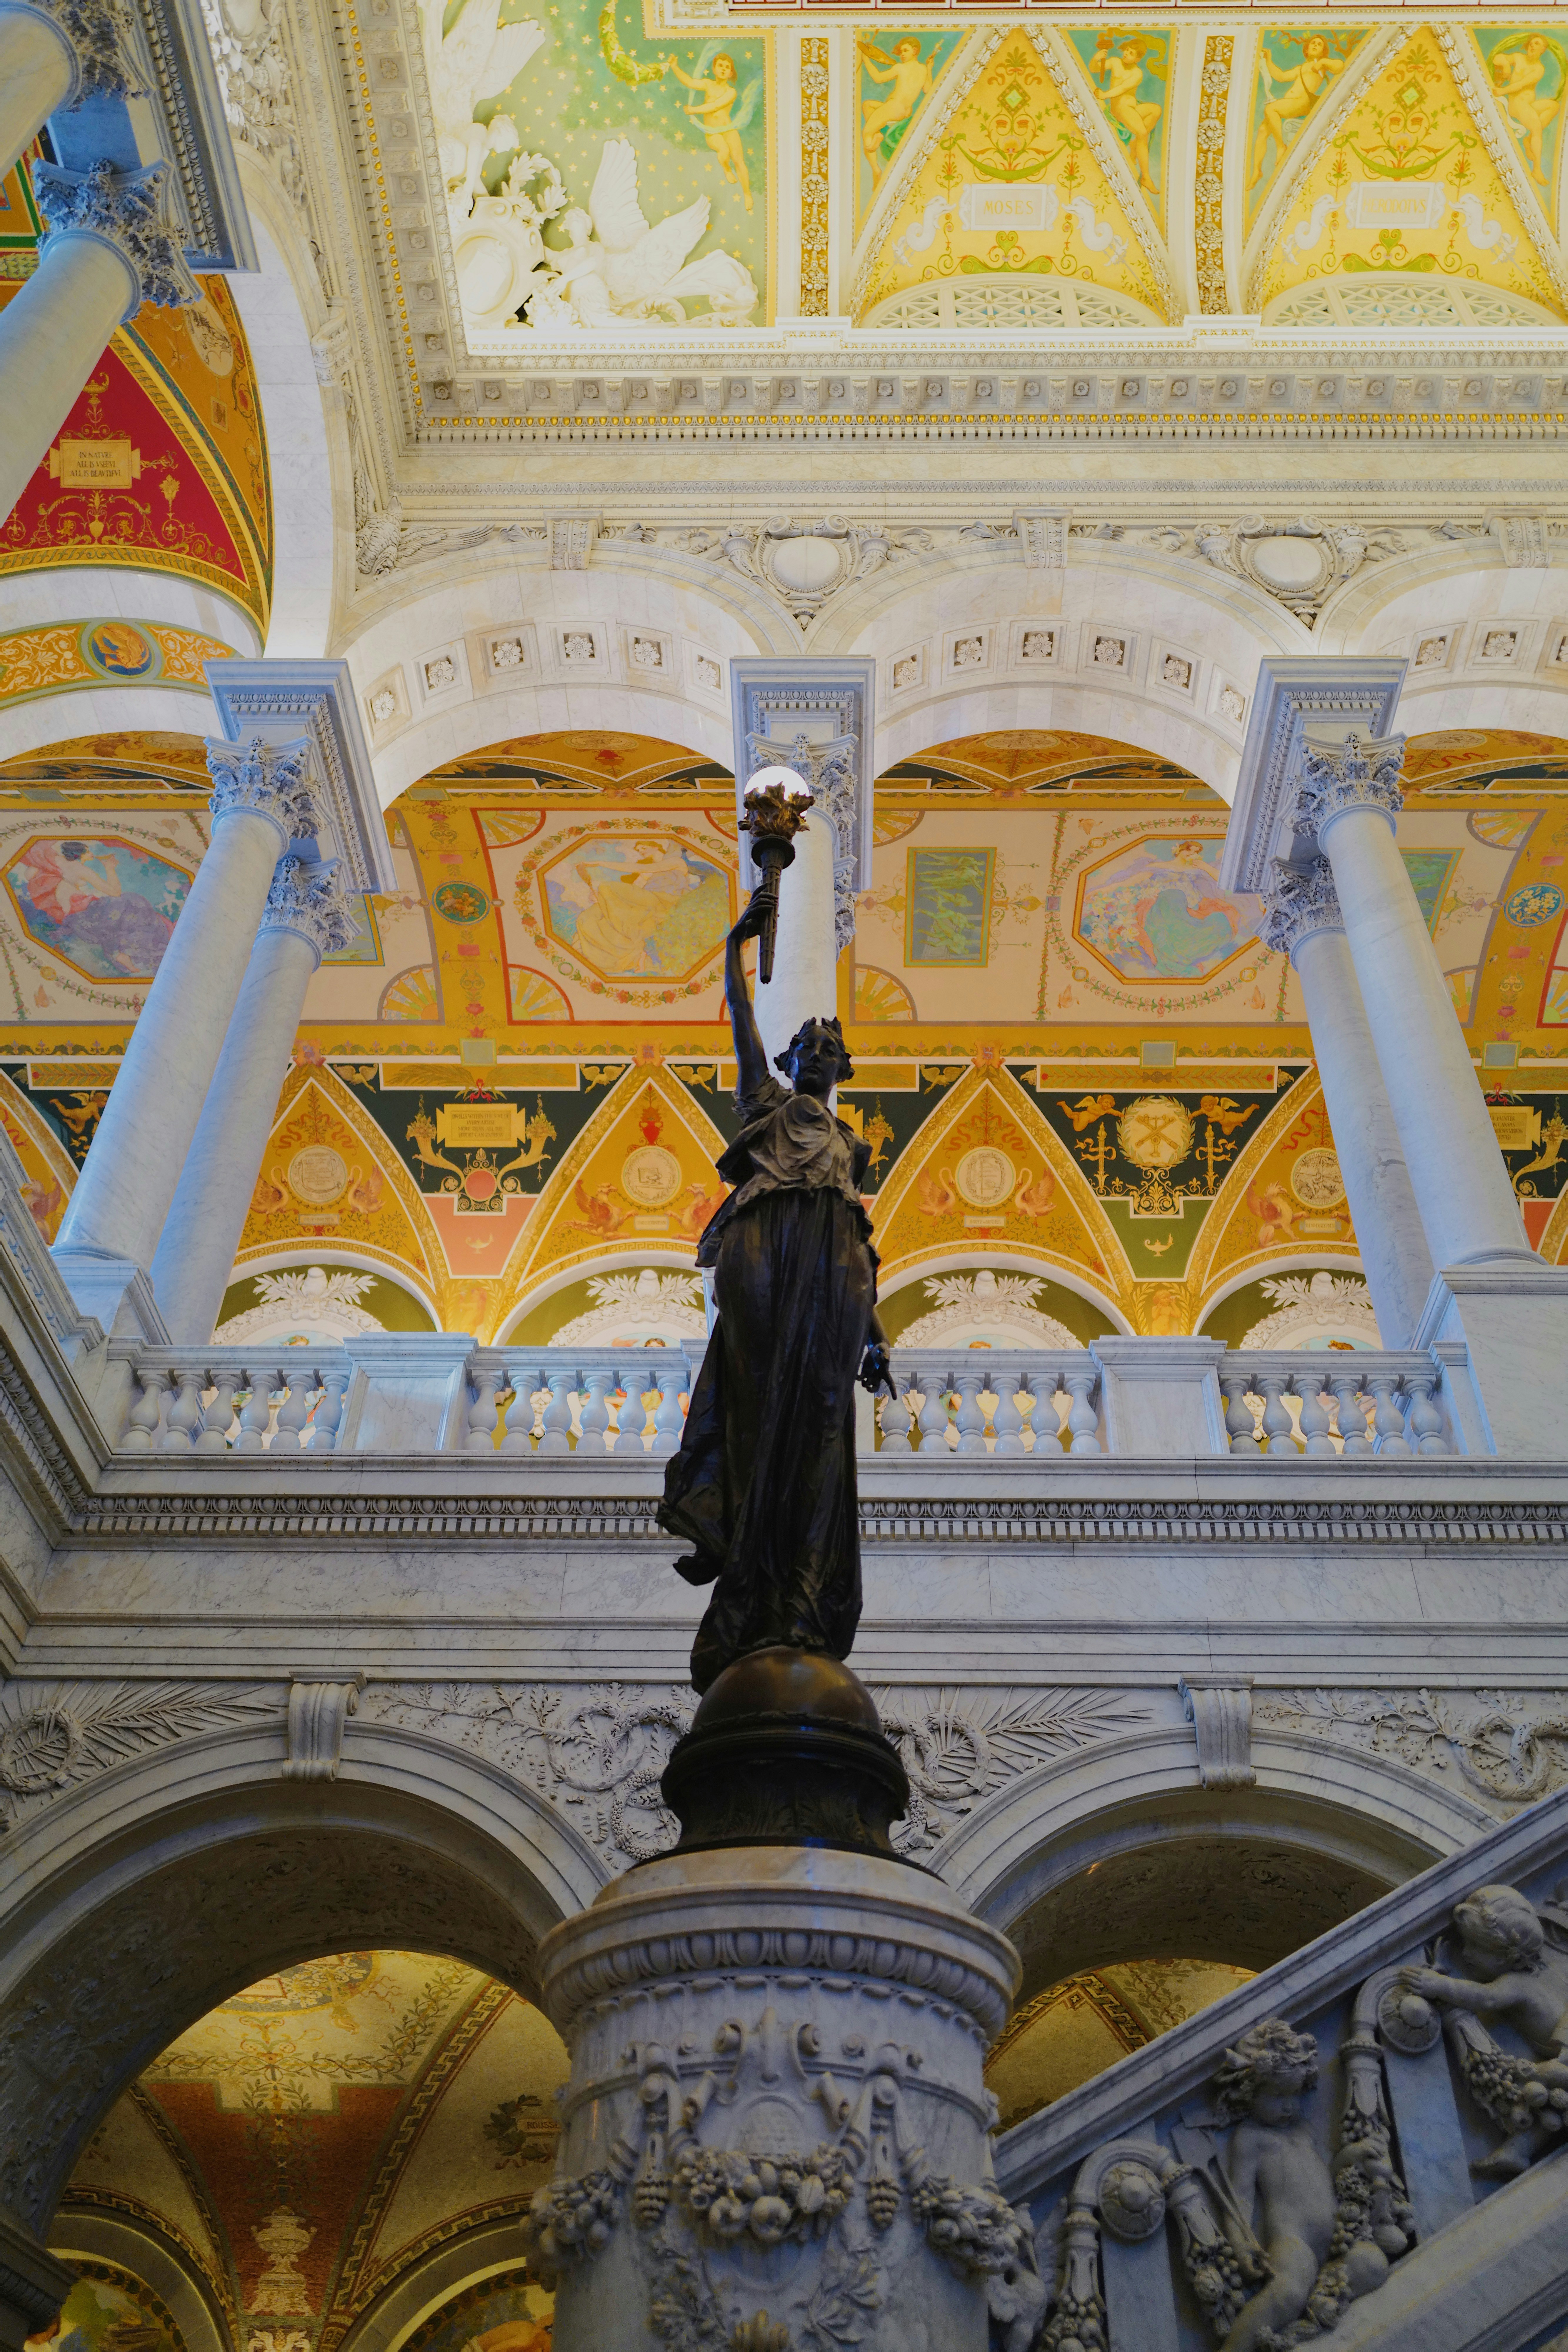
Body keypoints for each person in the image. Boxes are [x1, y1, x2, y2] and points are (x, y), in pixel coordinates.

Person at [658, 886, 893, 1695]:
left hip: (832, 1264)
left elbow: (859, 1240)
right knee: (761, 1410)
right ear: (791, 1063)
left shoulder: (850, 1146)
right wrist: (738, 941)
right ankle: (746, 1574)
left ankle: (801, 1595)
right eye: (809, 1045)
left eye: (831, 1049)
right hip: (765, 1246)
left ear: (841, 1070)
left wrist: (874, 1334)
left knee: (822, 1425)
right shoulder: (765, 1102)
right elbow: (739, 1016)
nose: (819, 1054)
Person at [665, 54, 754, 213]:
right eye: (720, 66)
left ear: (731, 73)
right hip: (713, 132)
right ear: (714, 69)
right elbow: (689, 82)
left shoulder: (731, 92)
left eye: (727, 67)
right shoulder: (708, 84)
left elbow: (715, 106)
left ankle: (747, 194)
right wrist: (674, 66)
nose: (723, 69)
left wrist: (694, 110)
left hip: (728, 129)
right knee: (724, 151)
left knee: (739, 160)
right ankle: (727, 168)